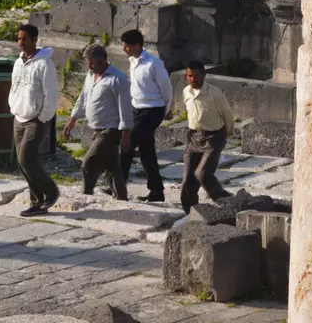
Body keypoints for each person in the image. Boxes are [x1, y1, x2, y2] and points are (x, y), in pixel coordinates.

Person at [64, 43, 132, 200]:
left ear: (103, 60)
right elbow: (82, 99)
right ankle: (121, 197)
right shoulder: (90, 75)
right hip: (96, 129)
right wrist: (73, 118)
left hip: (110, 130)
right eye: (89, 64)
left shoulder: (118, 79)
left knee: (89, 163)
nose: (90, 67)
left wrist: (126, 134)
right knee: (112, 167)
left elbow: (125, 108)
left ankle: (86, 195)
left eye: (92, 64)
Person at [7, 23, 59, 216]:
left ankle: (51, 191)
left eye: (24, 39)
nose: (20, 43)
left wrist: (43, 117)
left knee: (26, 157)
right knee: (22, 162)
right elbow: (14, 87)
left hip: (36, 118)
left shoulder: (45, 64)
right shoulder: (18, 62)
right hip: (19, 116)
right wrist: (13, 106)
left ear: (34, 40)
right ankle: (37, 204)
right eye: (18, 39)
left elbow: (51, 94)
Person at [118, 28, 172, 201]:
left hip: (152, 110)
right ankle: (157, 191)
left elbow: (166, 87)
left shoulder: (153, 63)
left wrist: (167, 107)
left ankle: (117, 184)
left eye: (126, 46)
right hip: (136, 109)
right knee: (146, 152)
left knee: (126, 145)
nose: (124, 49)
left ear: (136, 45)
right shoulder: (132, 61)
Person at [178, 59, 233, 213]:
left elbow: (227, 115)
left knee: (202, 174)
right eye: (189, 76)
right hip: (194, 138)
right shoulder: (185, 92)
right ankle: (191, 212)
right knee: (187, 181)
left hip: (213, 137)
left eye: (195, 76)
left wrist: (224, 137)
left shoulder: (215, 93)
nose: (192, 80)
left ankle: (227, 202)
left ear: (204, 75)